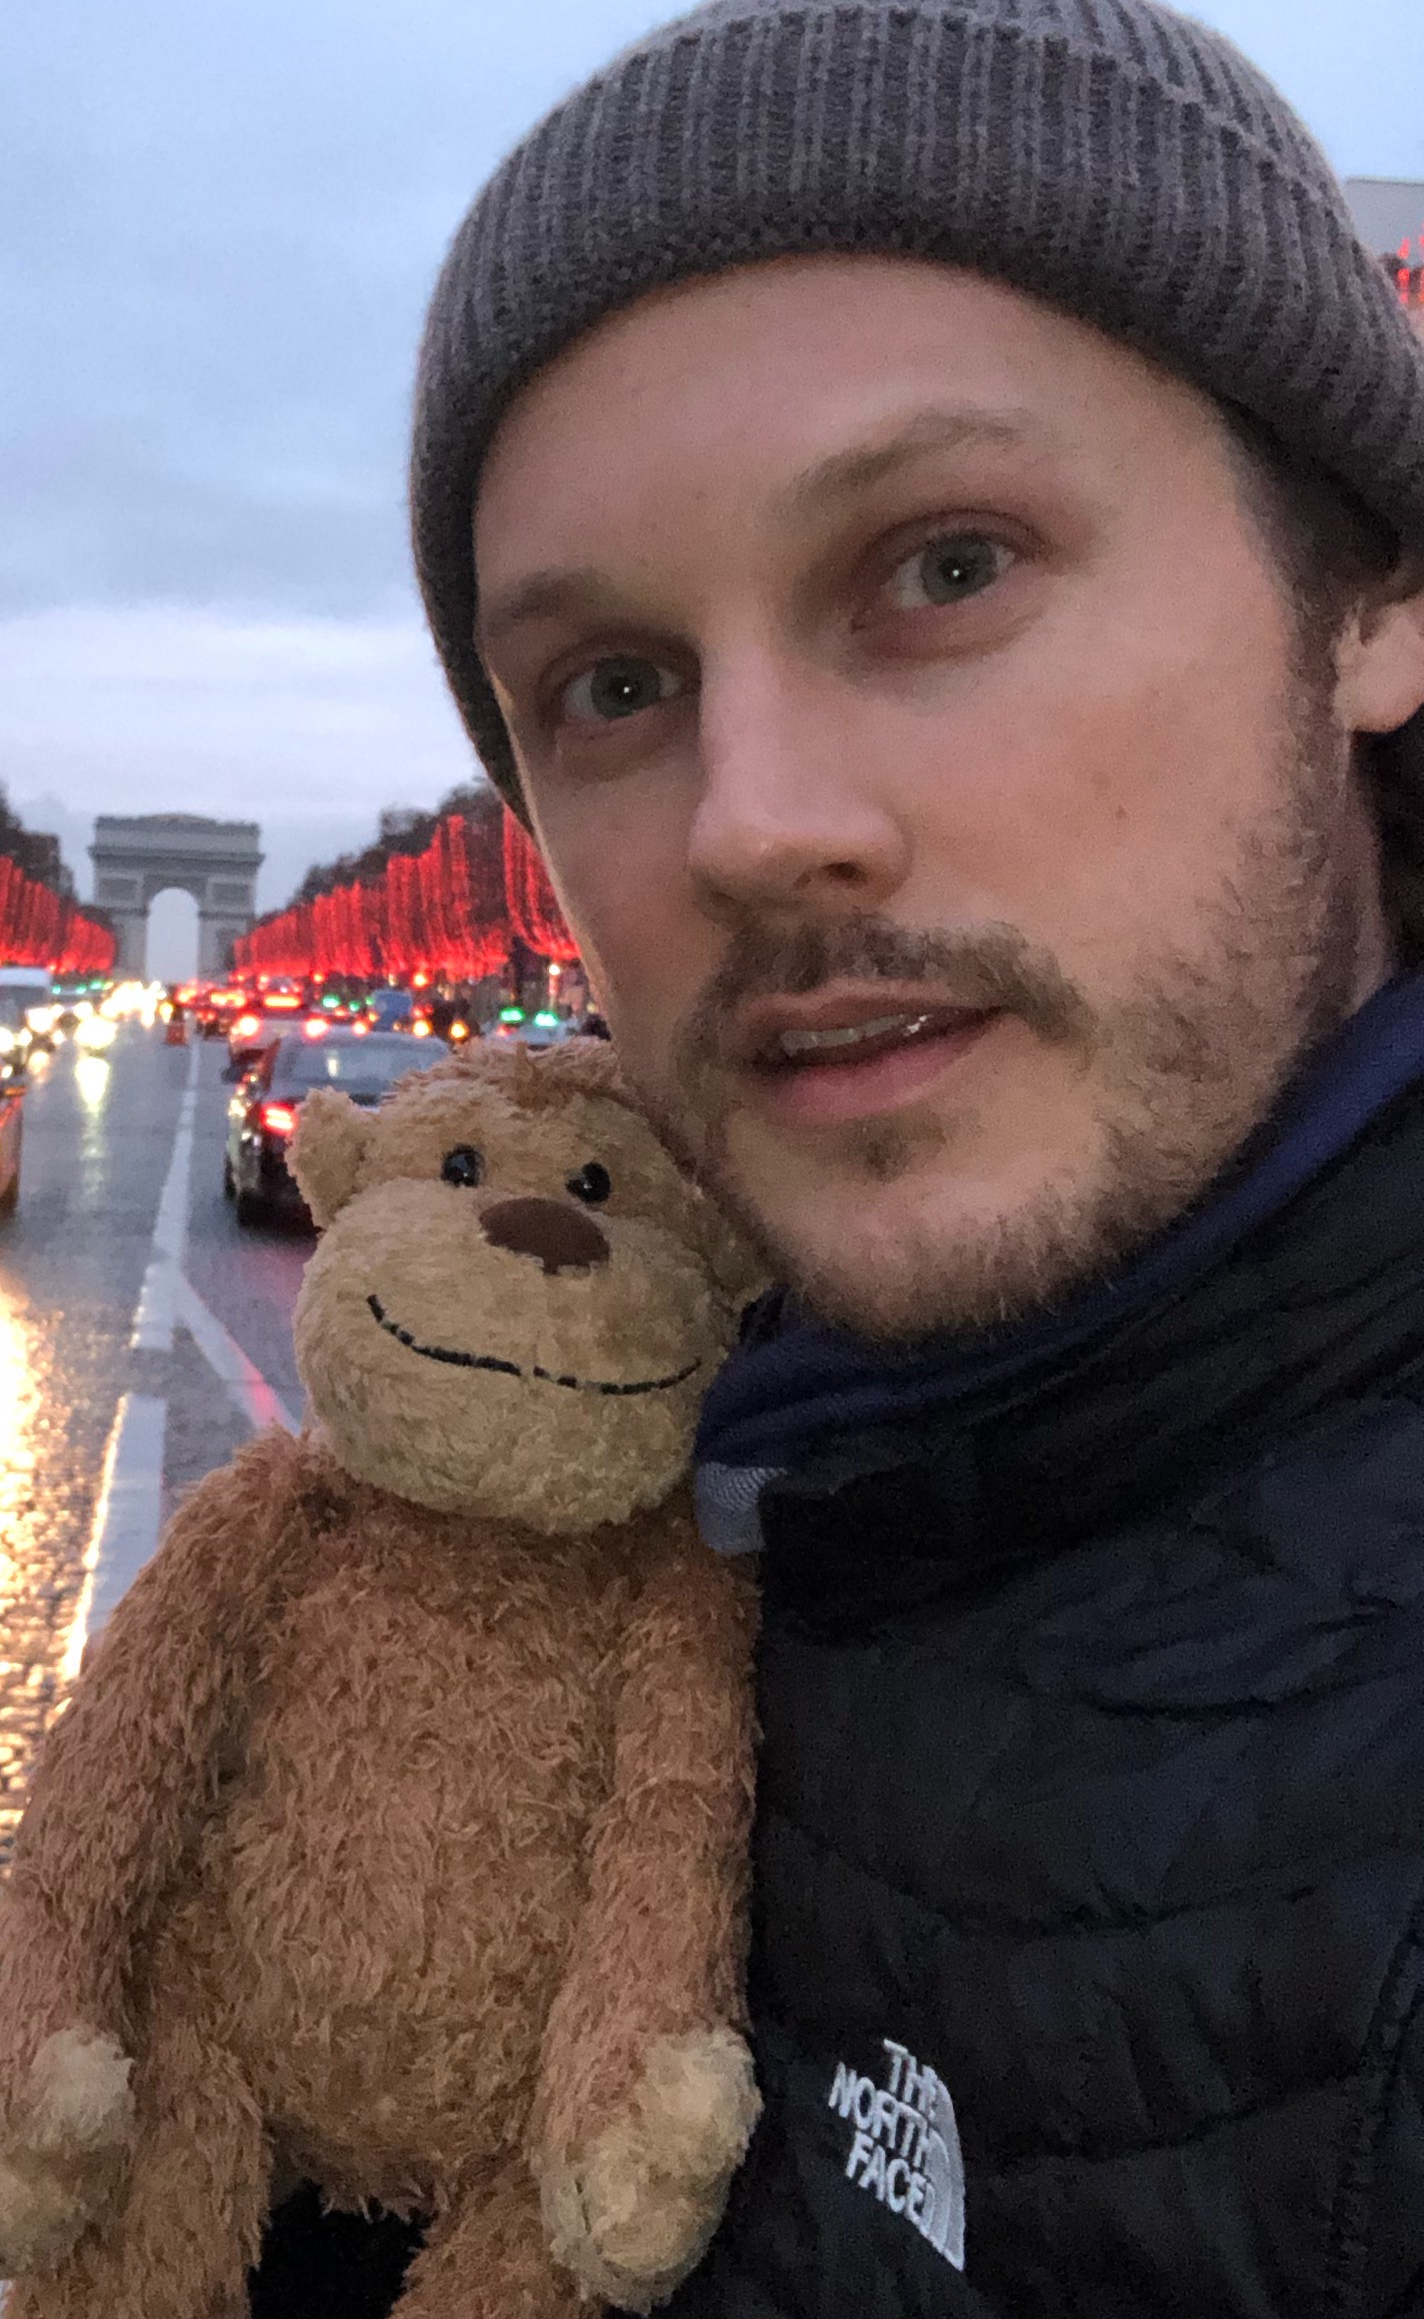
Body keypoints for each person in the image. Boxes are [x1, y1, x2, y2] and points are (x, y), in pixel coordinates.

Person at [258, 0, 1424, 2310]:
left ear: (1371, 599)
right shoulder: (616, 1503)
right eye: (607, 683)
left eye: (946, 564)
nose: (751, 817)